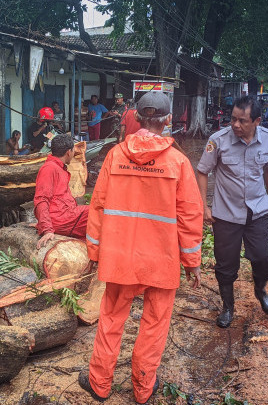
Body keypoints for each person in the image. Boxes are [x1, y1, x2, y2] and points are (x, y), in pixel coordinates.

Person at [78, 92, 203, 404]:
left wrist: (94, 252)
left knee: (111, 319)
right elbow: (190, 216)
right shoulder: (178, 162)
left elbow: (98, 206)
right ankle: (143, 389)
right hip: (161, 260)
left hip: (120, 256)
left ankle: (100, 384)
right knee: (154, 325)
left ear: (135, 118)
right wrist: (192, 261)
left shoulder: (115, 155)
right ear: (167, 121)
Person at [196, 96, 268, 328]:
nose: (235, 125)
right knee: (225, 265)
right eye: (233, 119)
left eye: (242, 121)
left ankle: (260, 291)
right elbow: (203, 171)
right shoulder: (218, 140)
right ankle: (228, 307)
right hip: (226, 214)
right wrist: (204, 206)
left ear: (257, 121)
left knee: (263, 259)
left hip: (258, 211)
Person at [34, 134, 89, 247]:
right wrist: (47, 228)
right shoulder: (49, 168)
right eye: (73, 151)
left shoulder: (57, 167)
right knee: (98, 212)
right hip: (61, 219)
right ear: (69, 152)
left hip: (64, 217)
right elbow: (41, 199)